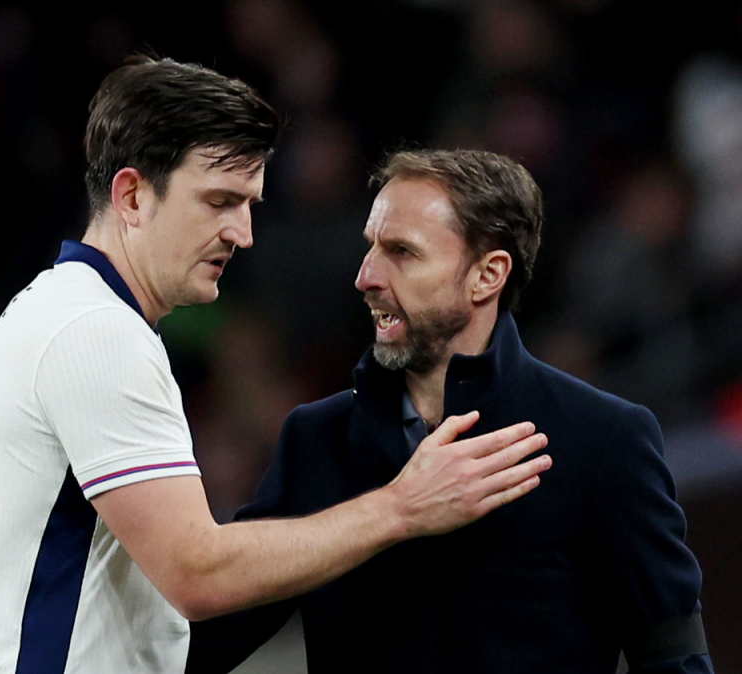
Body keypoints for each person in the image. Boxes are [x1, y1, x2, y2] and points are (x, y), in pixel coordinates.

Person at [0, 58, 550, 674]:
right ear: (132, 194)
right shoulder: (97, 333)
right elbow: (198, 572)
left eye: (251, 203)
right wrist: (402, 507)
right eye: (221, 201)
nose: (245, 232)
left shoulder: (45, 307)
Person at [186, 149, 713, 674]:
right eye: (370, 247)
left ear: (487, 275)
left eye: (402, 252)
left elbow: (674, 657)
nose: (366, 276)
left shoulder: (603, 439)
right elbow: (201, 640)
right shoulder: (316, 439)